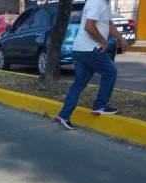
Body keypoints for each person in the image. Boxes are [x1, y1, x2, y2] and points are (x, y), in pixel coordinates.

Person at [54, 0, 127, 130]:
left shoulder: (105, 3)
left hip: (80, 50)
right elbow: (89, 26)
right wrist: (103, 42)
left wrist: (120, 38)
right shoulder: (96, 2)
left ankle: (63, 115)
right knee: (110, 72)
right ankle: (100, 105)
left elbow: (108, 23)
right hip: (90, 49)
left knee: (78, 84)